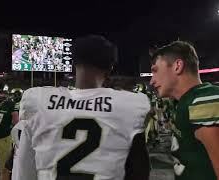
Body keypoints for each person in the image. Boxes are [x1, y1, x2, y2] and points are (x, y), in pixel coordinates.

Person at [14, 35, 150, 180]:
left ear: (74, 62)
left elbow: (23, 170)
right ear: (110, 67)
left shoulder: (39, 102)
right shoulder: (127, 105)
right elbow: (139, 171)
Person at [150, 41, 219, 180]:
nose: (151, 81)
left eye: (155, 70)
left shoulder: (206, 100)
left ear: (177, 66)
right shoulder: (184, 101)